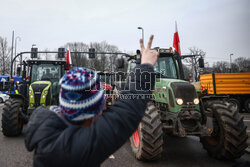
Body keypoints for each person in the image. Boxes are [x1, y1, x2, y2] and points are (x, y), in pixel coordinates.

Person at [25, 35, 159, 167]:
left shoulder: (47, 130)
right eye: (100, 105)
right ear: (93, 111)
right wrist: (146, 66)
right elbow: (126, 114)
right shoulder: (75, 149)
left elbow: (125, 111)